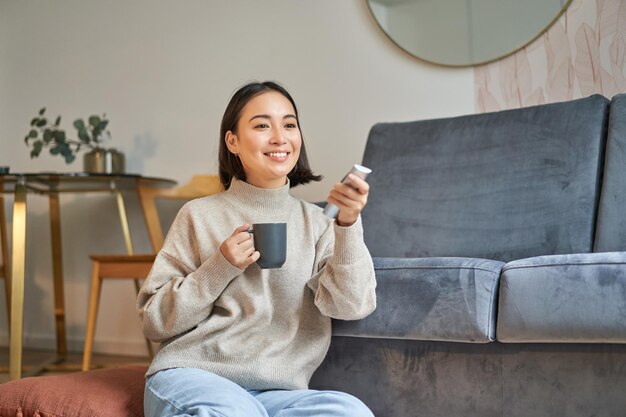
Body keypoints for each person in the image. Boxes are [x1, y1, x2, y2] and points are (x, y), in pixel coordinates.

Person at [137, 81, 377, 417]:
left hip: (278, 394)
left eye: (289, 125)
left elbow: (352, 306)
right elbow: (154, 321)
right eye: (262, 125)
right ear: (232, 141)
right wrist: (219, 266)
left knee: (351, 412)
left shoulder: (320, 222)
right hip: (195, 376)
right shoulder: (199, 214)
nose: (280, 137)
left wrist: (348, 225)